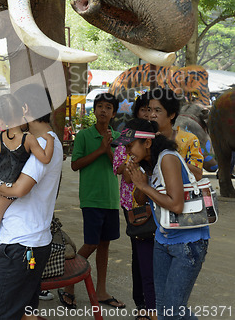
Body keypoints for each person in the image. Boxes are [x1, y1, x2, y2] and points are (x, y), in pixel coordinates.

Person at [0, 84, 63, 320]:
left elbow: (19, 190)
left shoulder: (41, 143)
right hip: (32, 242)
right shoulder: (42, 140)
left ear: (24, 108)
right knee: (26, 314)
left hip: (21, 245)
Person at [124, 118, 209, 320]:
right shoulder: (150, 162)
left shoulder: (167, 158)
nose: (127, 152)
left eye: (130, 145)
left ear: (147, 143)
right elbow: (140, 198)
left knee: (172, 313)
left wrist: (144, 186)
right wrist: (138, 180)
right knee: (163, 312)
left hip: (187, 243)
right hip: (164, 240)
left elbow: (176, 205)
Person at [59, 92, 125, 310]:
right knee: (92, 243)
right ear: (94, 110)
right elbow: (75, 164)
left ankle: (102, 290)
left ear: (114, 112)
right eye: (100, 106)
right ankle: (68, 282)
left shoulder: (118, 136)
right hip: (91, 198)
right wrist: (101, 149)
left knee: (105, 244)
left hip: (111, 198)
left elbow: (119, 167)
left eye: (108, 107)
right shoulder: (84, 136)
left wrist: (108, 147)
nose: (103, 110)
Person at [0, 93, 54, 261]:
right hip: (9, 182)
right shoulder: (28, 139)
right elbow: (45, 158)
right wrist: (50, 140)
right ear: (22, 114)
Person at [113, 92, 156, 320]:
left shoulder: (163, 156)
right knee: (141, 255)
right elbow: (125, 176)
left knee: (151, 259)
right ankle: (145, 305)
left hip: (160, 213)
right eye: (145, 110)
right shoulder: (132, 141)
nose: (149, 114)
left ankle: (151, 306)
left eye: (154, 110)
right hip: (134, 208)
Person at [148, 87, 204, 180]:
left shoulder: (189, 140)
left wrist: (170, 157)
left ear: (172, 115)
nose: (152, 115)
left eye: (157, 110)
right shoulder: (145, 139)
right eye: (149, 110)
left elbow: (197, 175)